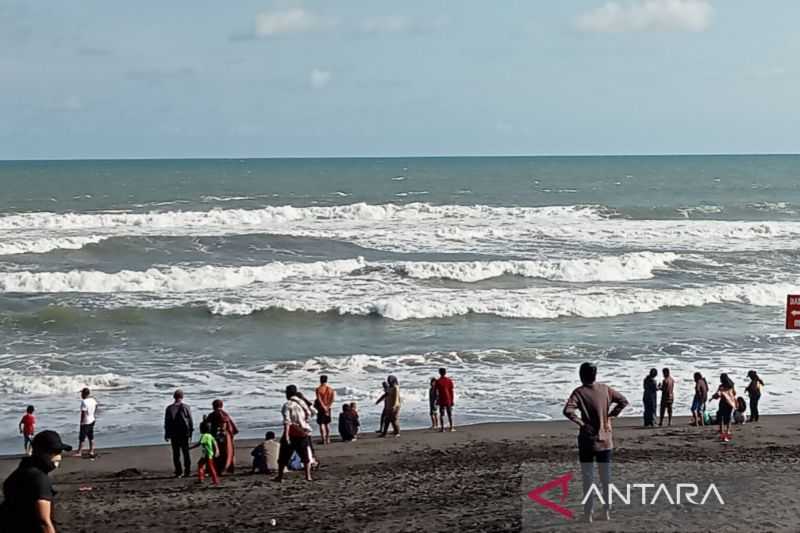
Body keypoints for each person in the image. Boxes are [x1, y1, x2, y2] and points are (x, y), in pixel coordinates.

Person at [563, 362, 629, 524]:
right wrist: (611, 416)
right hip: (606, 440)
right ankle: (606, 511)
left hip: (588, 442)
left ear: (581, 375)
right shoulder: (605, 389)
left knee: (588, 478)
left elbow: (568, 411)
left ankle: (588, 514)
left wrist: (581, 424)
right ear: (595, 375)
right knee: (605, 478)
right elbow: (623, 401)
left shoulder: (579, 392)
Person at [0, 430, 72, 533]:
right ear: (41, 453)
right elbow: (43, 522)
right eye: (55, 452)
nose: (58, 456)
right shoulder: (39, 479)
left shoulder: (19, 472)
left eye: (59, 452)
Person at [275, 385, 314, 482]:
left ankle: (280, 476)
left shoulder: (287, 405)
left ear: (287, 393)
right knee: (305, 456)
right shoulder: (302, 403)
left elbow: (287, 421)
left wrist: (287, 436)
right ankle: (308, 476)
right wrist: (304, 398)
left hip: (292, 431)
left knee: (283, 456)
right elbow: (313, 412)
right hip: (304, 431)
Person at [164, 389, 194, 478]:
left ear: (174, 397)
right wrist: (191, 432)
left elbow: (167, 422)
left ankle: (178, 472)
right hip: (184, 433)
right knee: (186, 453)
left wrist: (167, 434)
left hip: (174, 434)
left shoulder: (169, 408)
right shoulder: (186, 407)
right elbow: (190, 421)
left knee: (176, 454)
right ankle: (187, 471)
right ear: (182, 397)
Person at [206, 399, 239, 475]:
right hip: (227, 436)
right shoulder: (225, 414)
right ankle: (229, 468)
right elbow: (231, 427)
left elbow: (208, 426)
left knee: (218, 453)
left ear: (214, 406)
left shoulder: (213, 414)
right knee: (228, 452)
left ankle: (219, 469)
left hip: (218, 436)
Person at [711, 373, 737, 442]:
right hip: (730, 403)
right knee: (728, 417)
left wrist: (713, 397)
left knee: (721, 417)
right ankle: (728, 431)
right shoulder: (731, 385)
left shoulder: (721, 386)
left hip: (723, 403)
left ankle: (722, 431)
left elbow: (718, 395)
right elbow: (734, 393)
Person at [75, 387, 97, 458]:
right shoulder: (93, 400)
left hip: (86, 421)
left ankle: (79, 452)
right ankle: (91, 450)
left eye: (81, 393)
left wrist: (81, 422)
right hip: (92, 419)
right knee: (91, 436)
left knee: (82, 438)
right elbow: (96, 407)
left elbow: (83, 413)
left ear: (84, 394)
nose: (81, 395)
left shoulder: (84, 402)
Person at [315, 375, 335, 445]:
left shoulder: (318, 389)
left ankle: (323, 439)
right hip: (328, 407)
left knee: (321, 424)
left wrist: (323, 407)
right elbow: (332, 399)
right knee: (327, 424)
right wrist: (327, 407)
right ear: (326, 380)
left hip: (321, 408)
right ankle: (328, 438)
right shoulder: (330, 389)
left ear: (320, 380)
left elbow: (319, 399)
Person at [435, 368, 455, 432]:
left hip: (441, 400)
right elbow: (451, 391)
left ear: (439, 373)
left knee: (441, 414)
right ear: (445, 372)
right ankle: (451, 427)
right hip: (448, 399)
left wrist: (436, 400)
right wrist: (452, 400)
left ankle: (442, 428)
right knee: (449, 414)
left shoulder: (438, 381)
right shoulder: (449, 380)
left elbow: (436, 392)